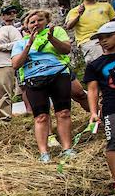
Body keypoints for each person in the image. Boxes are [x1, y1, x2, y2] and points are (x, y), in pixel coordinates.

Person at [12, 10, 76, 163]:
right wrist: (29, 44)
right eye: (32, 22)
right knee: (41, 116)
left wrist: (51, 38)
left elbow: (66, 49)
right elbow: (15, 64)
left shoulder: (57, 32)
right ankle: (44, 153)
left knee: (63, 112)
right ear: (26, 26)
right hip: (34, 79)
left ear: (46, 21)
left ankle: (67, 148)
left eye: (40, 20)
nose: (36, 24)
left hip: (58, 74)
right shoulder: (20, 43)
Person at [84, 20, 115, 192]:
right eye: (100, 38)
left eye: (108, 36)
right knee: (114, 142)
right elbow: (92, 90)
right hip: (114, 106)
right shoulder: (95, 65)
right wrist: (92, 112)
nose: (104, 41)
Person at [65, 0, 115, 64]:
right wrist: (79, 15)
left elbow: (114, 22)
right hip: (89, 41)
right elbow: (69, 26)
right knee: (102, 65)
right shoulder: (75, 11)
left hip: (109, 38)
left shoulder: (106, 5)